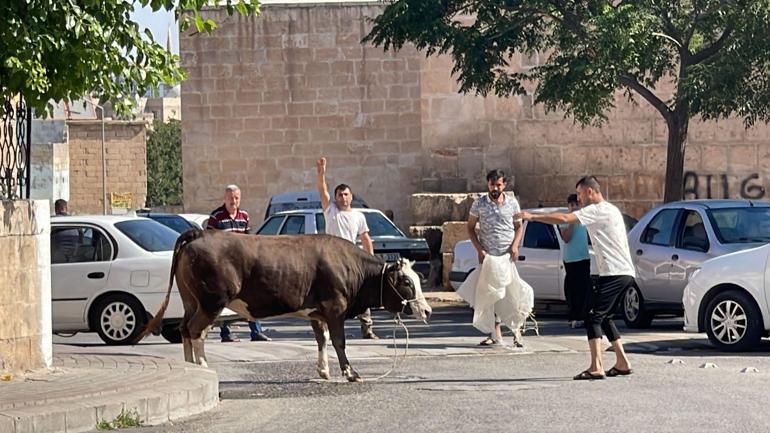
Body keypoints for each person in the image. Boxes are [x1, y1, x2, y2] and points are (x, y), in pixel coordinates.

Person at [515, 176, 635, 380]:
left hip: (615, 272)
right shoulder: (611, 209)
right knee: (604, 318)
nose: (578, 199)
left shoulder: (597, 210)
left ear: (590, 192)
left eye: (579, 194)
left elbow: (564, 219)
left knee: (593, 316)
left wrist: (532, 216)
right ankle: (622, 362)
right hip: (619, 272)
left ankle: (596, 367)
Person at [316, 157, 378, 339]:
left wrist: (371, 259)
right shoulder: (331, 210)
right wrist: (321, 174)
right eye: (340, 195)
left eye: (346, 194)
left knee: (361, 292)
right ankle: (326, 328)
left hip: (351, 260)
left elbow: (365, 238)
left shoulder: (358, 216)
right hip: (332, 259)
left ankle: (367, 329)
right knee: (329, 294)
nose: (343, 198)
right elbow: (322, 191)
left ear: (351, 197)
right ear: (335, 198)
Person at [467, 169, 525, 346]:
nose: (495, 188)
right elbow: (470, 227)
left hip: (507, 256)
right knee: (491, 295)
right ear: (488, 184)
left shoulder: (512, 203)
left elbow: (519, 227)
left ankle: (517, 332)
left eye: (498, 185)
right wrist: (479, 250)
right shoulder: (479, 204)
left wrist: (514, 246)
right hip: (489, 257)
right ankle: (495, 334)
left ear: (504, 185)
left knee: (511, 293)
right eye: (492, 184)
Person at [207, 184, 271, 343]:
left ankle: (256, 331)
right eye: (230, 198)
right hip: (225, 265)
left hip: (243, 265)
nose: (233, 201)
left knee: (252, 296)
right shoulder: (216, 217)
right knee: (226, 297)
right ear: (225, 198)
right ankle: (226, 333)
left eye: (236, 198)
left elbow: (249, 239)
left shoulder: (244, 216)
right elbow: (209, 240)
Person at [558, 194, 591, 329]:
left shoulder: (584, 219)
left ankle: (584, 316)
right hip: (571, 259)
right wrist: (571, 220)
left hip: (584, 257)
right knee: (574, 289)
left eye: (576, 205)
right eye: (571, 205)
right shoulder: (564, 219)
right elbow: (566, 238)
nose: (574, 207)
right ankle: (574, 316)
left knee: (584, 288)